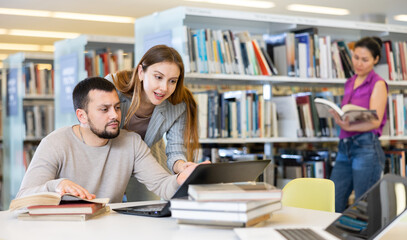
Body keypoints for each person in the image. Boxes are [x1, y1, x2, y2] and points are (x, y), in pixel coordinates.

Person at [16, 77, 197, 203]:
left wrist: (183, 178)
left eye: (117, 107)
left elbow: (162, 185)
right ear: (82, 116)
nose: (115, 116)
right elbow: (23, 198)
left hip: (108, 230)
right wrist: (57, 185)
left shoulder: (132, 143)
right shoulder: (55, 143)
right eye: (104, 109)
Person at [106, 45, 199, 175]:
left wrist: (183, 167)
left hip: (147, 157)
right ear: (141, 72)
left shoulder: (178, 105)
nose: (164, 88)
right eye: (158, 77)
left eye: (172, 81)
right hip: (107, 157)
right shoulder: (112, 87)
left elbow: (175, 150)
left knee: (148, 195)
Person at [329, 37, 388, 212]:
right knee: (333, 200)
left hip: (366, 147)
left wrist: (349, 127)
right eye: (356, 57)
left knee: (363, 206)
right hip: (344, 147)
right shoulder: (349, 82)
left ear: (375, 60)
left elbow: (375, 120)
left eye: (365, 60)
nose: (358, 63)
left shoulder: (378, 84)